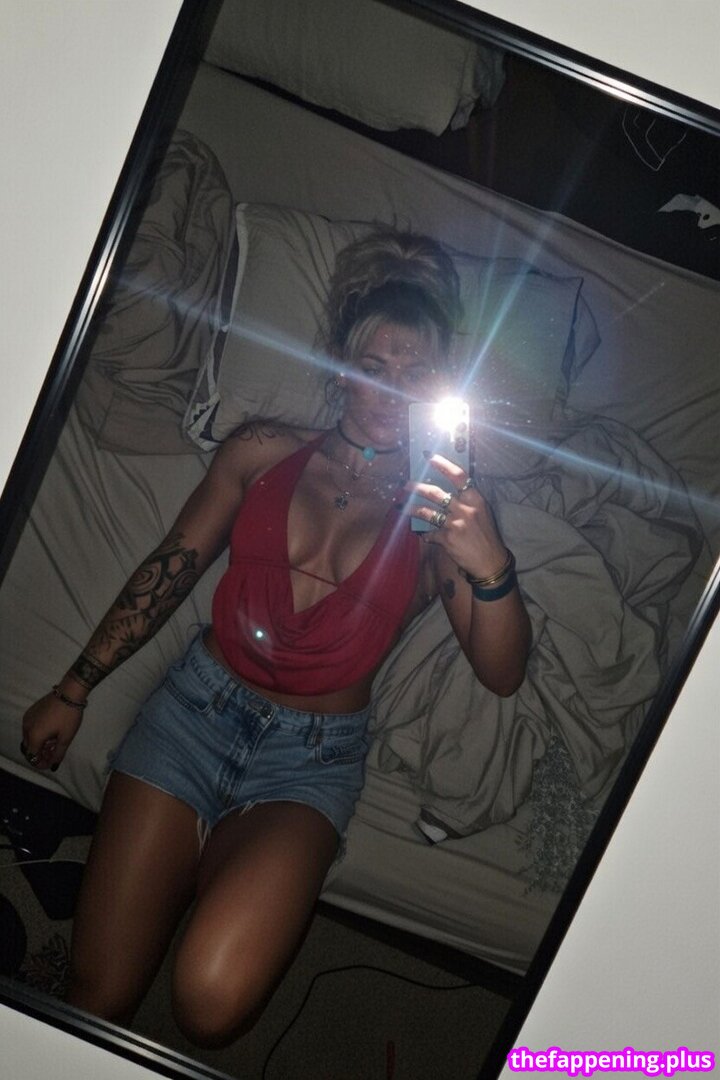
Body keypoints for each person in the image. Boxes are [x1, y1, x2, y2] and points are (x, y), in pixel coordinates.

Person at [21, 227, 531, 1046]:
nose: (390, 391)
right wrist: (74, 687)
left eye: (415, 374)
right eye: (372, 365)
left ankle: (209, 881)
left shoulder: (446, 515)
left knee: (210, 1006)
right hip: (191, 716)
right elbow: (171, 567)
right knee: (99, 997)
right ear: (339, 364)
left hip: (309, 762)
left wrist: (492, 561)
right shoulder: (260, 452)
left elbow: (502, 673)